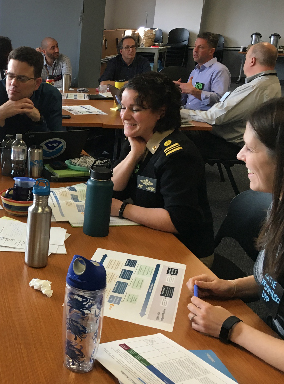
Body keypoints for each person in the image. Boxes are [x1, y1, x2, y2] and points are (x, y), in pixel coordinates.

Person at [186, 98, 284, 371]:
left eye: (250, 148)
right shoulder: (278, 206)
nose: (240, 155)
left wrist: (232, 328)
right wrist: (232, 287)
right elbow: (276, 279)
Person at [111, 72, 214, 265]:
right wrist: (134, 155)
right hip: (152, 234)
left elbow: (179, 220)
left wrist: (123, 209)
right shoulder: (138, 137)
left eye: (135, 109)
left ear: (161, 112)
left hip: (187, 253)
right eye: (123, 107)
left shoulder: (178, 155)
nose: (124, 116)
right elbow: (114, 188)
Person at [181, 42, 281, 160]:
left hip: (232, 143)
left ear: (252, 61)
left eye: (246, 58)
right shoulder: (271, 82)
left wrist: (180, 112)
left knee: (180, 136)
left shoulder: (255, 88)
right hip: (246, 139)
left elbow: (215, 117)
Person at [0, 46, 64, 155]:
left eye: (21, 78)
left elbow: (58, 145)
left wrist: (39, 121)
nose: (13, 83)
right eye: (10, 76)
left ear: (37, 83)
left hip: (33, 162)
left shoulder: (50, 95)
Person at [175, 32, 230, 111]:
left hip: (203, 119)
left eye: (200, 47)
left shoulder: (220, 70)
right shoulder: (195, 70)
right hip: (188, 113)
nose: (195, 50)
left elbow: (220, 100)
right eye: (195, 46)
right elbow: (188, 98)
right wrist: (180, 90)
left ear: (211, 51)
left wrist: (195, 92)